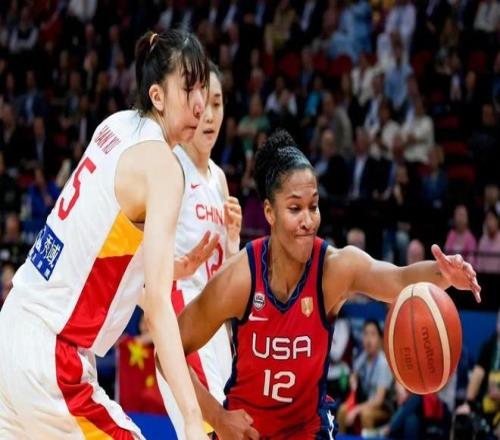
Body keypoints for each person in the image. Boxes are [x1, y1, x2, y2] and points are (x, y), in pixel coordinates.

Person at [175, 129, 480, 439]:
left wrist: (445, 275)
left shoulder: (334, 269)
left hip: (307, 430)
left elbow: (399, 279)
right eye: (295, 208)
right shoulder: (240, 277)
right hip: (245, 432)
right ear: (269, 212)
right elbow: (170, 350)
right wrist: (217, 417)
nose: (308, 220)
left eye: (314, 206)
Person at [0, 30, 210, 439]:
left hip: (12, 331)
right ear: (157, 96)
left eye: (203, 87)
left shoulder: (114, 126)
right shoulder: (164, 167)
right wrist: (190, 418)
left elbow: (96, 242)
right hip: (52, 359)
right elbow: (159, 307)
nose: (200, 102)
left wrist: (168, 268)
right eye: (188, 88)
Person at [155, 62, 243, 439]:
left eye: (217, 104)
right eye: (202, 104)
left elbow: (224, 273)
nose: (209, 115)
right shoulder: (171, 165)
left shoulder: (219, 178)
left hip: (216, 325)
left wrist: (233, 240)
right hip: (183, 316)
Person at [337, 320, 394, 434]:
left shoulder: (383, 363)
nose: (368, 339)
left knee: (365, 414)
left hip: (383, 408)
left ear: (380, 339)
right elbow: (354, 374)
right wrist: (353, 379)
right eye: (366, 334)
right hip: (365, 402)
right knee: (343, 410)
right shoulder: (362, 357)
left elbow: (378, 400)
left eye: (373, 334)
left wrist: (356, 410)